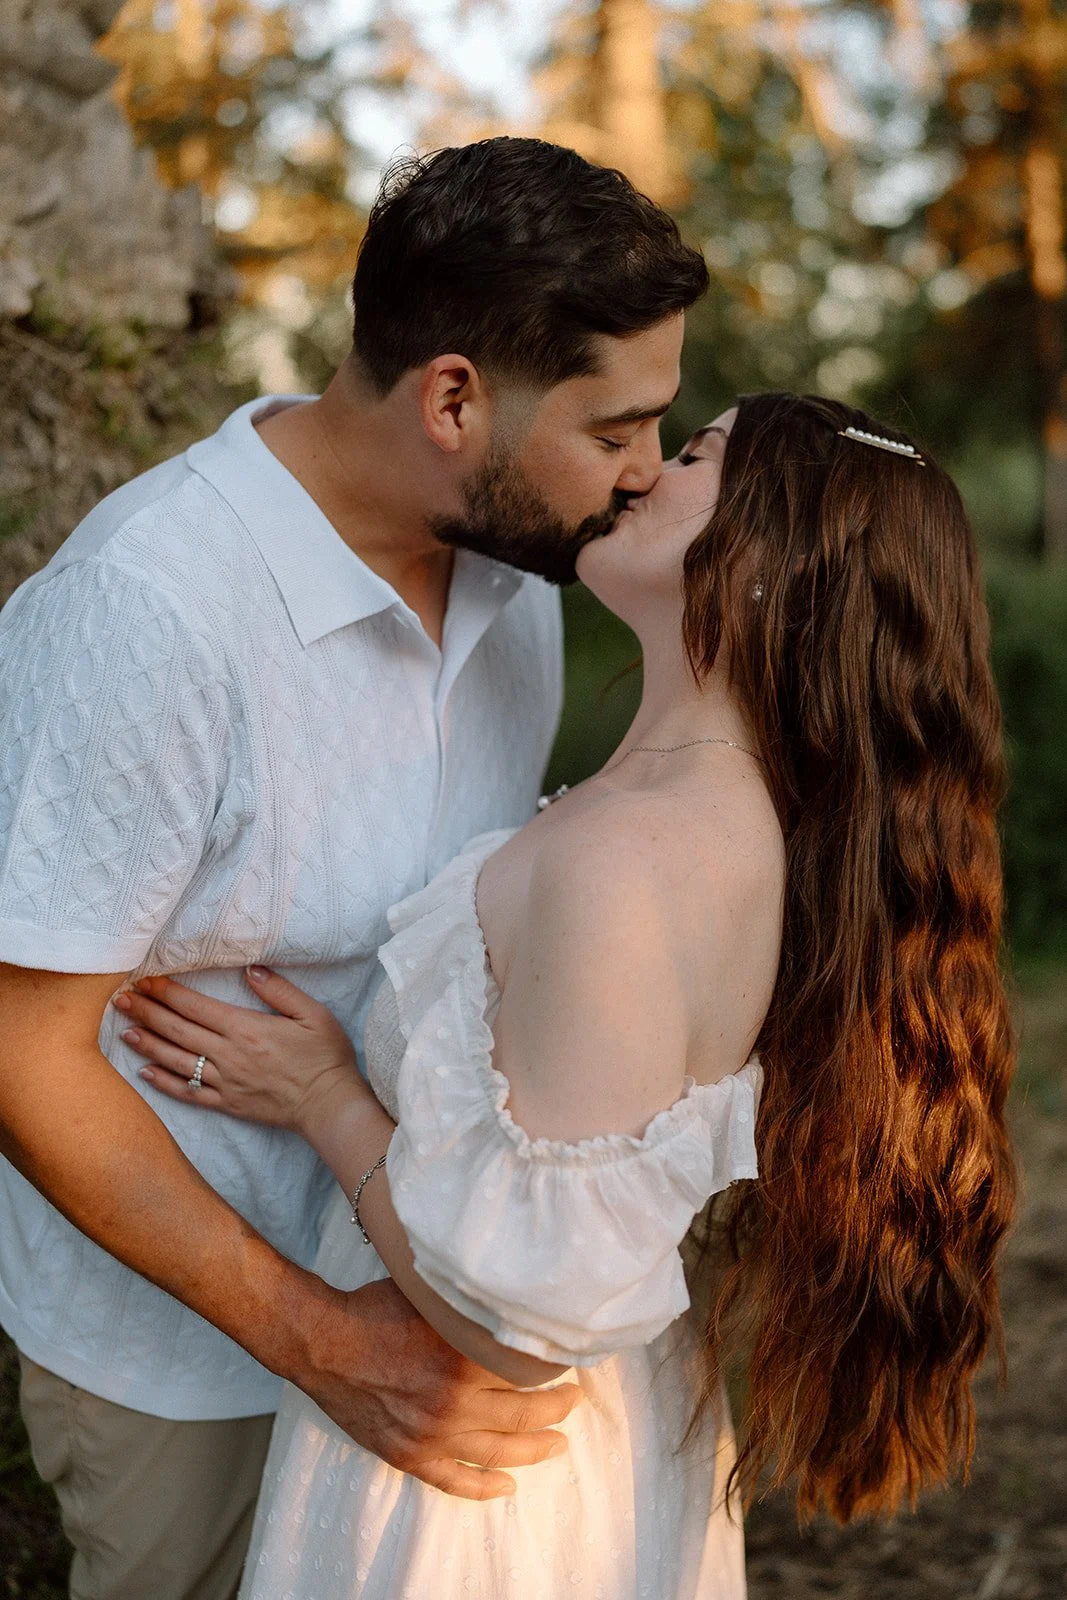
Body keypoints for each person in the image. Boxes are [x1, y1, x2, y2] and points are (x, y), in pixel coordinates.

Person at [118, 392, 1017, 1599]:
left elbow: (517, 1333)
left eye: (694, 453)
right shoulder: (699, 818)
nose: (641, 471)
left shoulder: (631, 860)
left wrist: (325, 1094)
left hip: (483, 1494)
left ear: (768, 556)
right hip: (560, 1455)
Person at [0, 137, 711, 1600]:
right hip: (191, 1361)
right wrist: (322, 1339)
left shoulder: (511, 573)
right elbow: (20, 1049)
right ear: (453, 397)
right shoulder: (148, 615)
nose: (645, 476)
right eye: (619, 426)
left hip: (433, 1285)